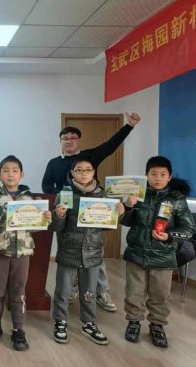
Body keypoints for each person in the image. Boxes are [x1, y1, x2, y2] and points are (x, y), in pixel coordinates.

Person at [41, 111, 142, 312]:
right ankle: (72, 288)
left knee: (95, 254)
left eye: (73, 138)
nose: (69, 141)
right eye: (65, 138)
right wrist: (64, 197)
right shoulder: (54, 163)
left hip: (92, 212)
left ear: (79, 140)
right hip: (67, 215)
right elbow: (46, 185)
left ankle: (101, 291)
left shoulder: (89, 156)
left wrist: (129, 125)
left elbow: (111, 145)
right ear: (60, 141)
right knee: (67, 254)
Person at [49, 156, 124, 346]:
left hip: (92, 252)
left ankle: (89, 323)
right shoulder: (64, 194)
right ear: (72, 173)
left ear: (94, 172)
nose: (84, 173)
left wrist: (118, 214)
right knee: (64, 291)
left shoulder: (102, 195)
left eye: (88, 170)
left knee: (89, 292)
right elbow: (56, 228)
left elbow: (107, 227)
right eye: (79, 170)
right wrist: (58, 215)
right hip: (69, 251)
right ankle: (60, 322)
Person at [122, 156, 195, 348]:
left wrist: (169, 236)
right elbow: (125, 221)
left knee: (160, 294)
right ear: (146, 175)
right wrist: (128, 206)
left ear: (169, 177)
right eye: (153, 174)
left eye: (163, 174)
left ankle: (157, 326)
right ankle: (134, 322)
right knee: (134, 292)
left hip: (163, 256)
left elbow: (189, 229)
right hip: (136, 252)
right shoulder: (138, 194)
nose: (157, 178)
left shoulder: (177, 199)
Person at [0, 155, 49, 351]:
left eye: (15, 171)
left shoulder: (30, 198)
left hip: (22, 252)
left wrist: (44, 219)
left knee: (18, 293)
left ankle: (18, 330)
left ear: (22, 174)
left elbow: (35, 228)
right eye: (6, 171)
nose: (10, 174)